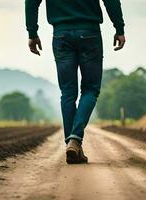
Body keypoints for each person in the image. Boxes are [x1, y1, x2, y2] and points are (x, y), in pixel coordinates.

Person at [25, 0, 125, 164]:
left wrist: (32, 33)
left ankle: (72, 145)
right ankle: (75, 140)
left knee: (68, 93)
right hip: (90, 33)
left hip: (61, 34)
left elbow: (31, 2)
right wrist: (119, 28)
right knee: (91, 90)